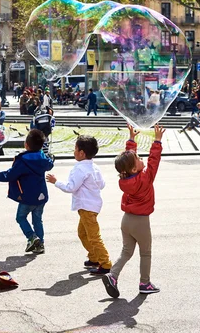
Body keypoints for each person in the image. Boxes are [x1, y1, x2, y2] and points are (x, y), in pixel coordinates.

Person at [101, 124, 164, 298]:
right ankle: (145, 283)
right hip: (140, 222)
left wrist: (131, 140)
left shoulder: (125, 179)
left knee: (126, 251)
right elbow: (154, 160)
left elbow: (127, 161)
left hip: (126, 220)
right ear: (135, 169)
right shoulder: (145, 178)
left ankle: (112, 276)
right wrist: (157, 141)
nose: (141, 157)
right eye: (138, 157)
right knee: (146, 253)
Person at [46, 135, 112, 275]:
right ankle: (94, 257)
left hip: (86, 207)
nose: (74, 151)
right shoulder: (94, 167)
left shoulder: (79, 168)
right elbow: (102, 184)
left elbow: (70, 187)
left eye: (75, 149)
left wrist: (55, 181)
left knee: (93, 236)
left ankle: (105, 263)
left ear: (82, 153)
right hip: (92, 206)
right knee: (83, 233)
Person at [0, 129, 54, 254]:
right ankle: (40, 244)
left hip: (27, 196)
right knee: (37, 219)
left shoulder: (23, 161)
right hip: (41, 196)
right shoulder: (42, 157)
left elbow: (11, 175)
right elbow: (50, 164)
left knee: (20, 217)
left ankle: (32, 237)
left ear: (26, 145)